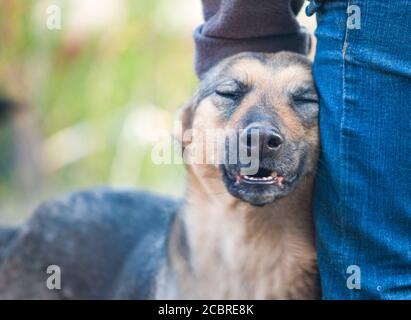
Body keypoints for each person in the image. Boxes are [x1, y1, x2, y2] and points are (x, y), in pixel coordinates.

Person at [194, 0, 411, 299]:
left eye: (303, 101)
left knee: (377, 277)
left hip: (373, 17)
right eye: (230, 93)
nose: (260, 132)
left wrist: (241, 35)